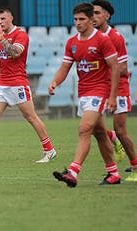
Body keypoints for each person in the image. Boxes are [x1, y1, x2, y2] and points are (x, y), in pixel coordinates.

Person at [50, 3, 121, 187]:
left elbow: (115, 67)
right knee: (99, 133)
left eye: (82, 19)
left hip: (100, 90)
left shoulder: (102, 40)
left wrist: (112, 97)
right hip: (84, 92)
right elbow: (65, 67)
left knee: (84, 128)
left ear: (91, 20)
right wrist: (55, 82)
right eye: (75, 19)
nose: (78, 23)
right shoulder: (72, 42)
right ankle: (113, 173)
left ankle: (73, 171)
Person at [0, 6, 56, 164]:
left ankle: (49, 150)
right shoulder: (3, 36)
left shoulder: (20, 34)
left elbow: (15, 53)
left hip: (18, 83)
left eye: (3, 19)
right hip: (2, 84)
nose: (0, 22)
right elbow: (2, 59)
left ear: (11, 18)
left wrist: (1, 38)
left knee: (31, 117)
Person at [92, 0, 137, 182]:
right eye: (92, 13)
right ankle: (113, 143)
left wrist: (114, 68)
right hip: (100, 87)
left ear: (107, 16)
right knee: (93, 126)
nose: (93, 17)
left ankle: (135, 165)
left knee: (120, 129)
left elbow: (124, 67)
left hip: (118, 88)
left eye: (97, 13)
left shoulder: (115, 37)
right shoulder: (91, 37)